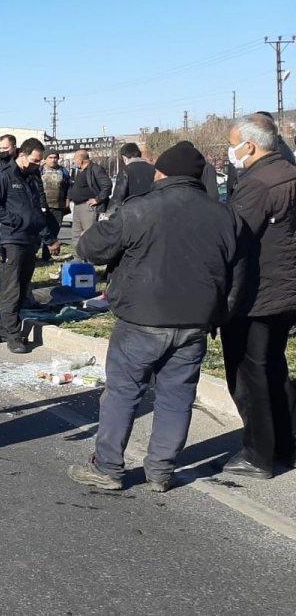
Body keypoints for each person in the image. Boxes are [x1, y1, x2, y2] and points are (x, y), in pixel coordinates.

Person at [67, 141, 242, 492]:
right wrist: (219, 316)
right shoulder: (225, 216)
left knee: (123, 393)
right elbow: (237, 276)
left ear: (161, 173)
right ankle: (161, 471)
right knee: (177, 397)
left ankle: (108, 468)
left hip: (141, 319)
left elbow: (92, 248)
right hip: (196, 322)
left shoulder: (140, 209)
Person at [221, 113, 296, 479]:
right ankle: (286, 445)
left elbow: (235, 238)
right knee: (274, 368)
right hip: (286, 290)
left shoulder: (258, 184)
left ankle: (258, 454)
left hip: (258, 293)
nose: (230, 150)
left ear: (249, 145)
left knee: (249, 374)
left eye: (232, 142)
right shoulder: (289, 170)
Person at [0, 137, 60, 353]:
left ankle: (1, 327)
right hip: (9, 239)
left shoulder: (33, 178)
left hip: (30, 240)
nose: (38, 164)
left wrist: (48, 238)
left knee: (22, 287)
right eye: (35, 161)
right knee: (12, 288)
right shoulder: (3, 176)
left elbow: (37, 212)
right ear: (22, 155)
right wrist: (15, 221)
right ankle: (13, 335)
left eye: (40, 161)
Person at [66, 149, 112, 245]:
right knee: (76, 235)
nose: (73, 162)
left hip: (89, 207)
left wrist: (97, 199)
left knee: (90, 235)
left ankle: (92, 259)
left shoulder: (95, 169)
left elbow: (107, 186)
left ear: (80, 159)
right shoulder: (78, 171)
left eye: (74, 159)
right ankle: (78, 258)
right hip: (77, 206)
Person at [39, 151, 71, 262]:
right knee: (39, 231)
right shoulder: (39, 170)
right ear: (45, 159)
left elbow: (69, 187)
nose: (53, 160)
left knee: (54, 230)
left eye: (55, 158)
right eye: (50, 157)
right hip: (41, 206)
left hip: (58, 207)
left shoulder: (63, 171)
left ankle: (47, 256)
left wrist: (67, 200)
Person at [110, 143, 155, 211]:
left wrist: (109, 215)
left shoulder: (125, 171)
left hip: (133, 213)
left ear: (124, 157)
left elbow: (118, 197)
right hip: (153, 209)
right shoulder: (153, 169)